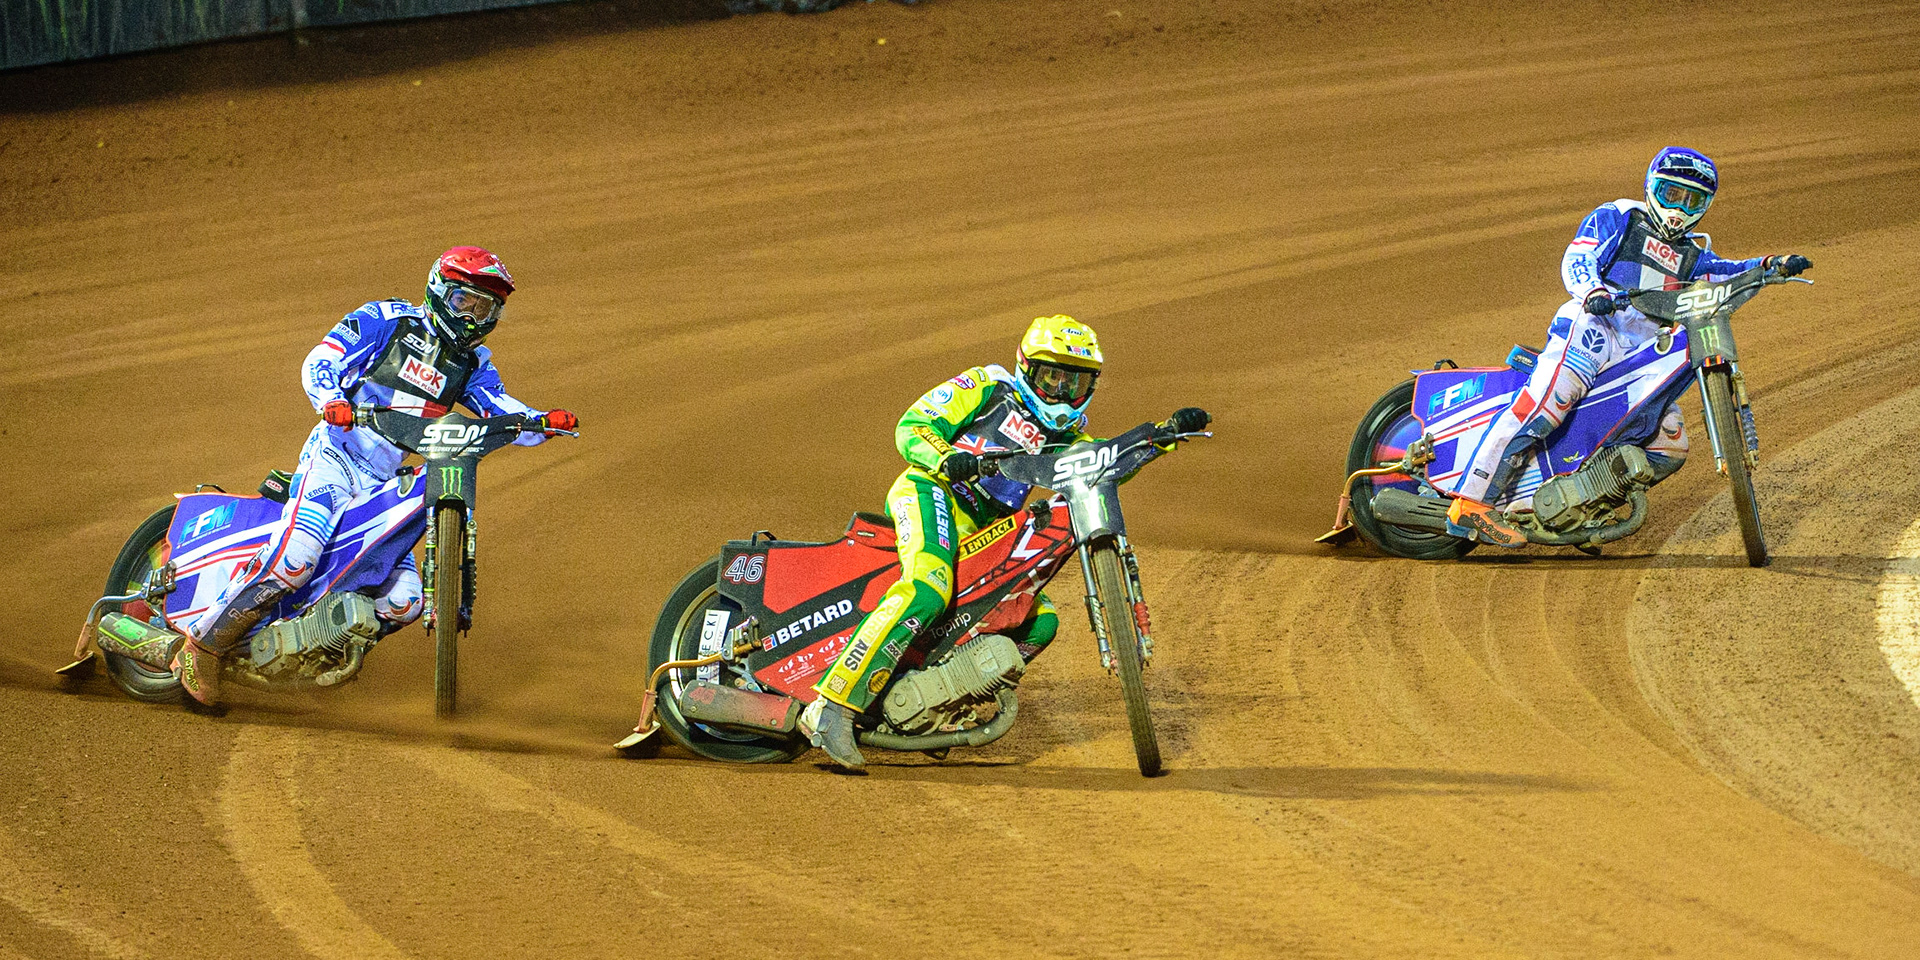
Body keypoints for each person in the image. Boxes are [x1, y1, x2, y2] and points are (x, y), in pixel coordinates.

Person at [797, 314, 1208, 769]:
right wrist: (948, 456)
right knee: (928, 586)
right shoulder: (988, 386)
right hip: (933, 492)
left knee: (1039, 621)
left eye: (1076, 383)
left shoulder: (1069, 439)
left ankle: (936, 702)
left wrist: (1163, 436)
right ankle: (831, 708)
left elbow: (1101, 467)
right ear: (1026, 368)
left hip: (988, 531)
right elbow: (911, 426)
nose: (1062, 392)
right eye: (1053, 376)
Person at [172, 246, 578, 705]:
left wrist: (543, 421)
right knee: (296, 559)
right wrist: (330, 399)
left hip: (382, 480)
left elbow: (500, 408)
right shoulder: (387, 319)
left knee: (405, 600)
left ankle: (310, 648)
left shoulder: (473, 363)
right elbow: (320, 360)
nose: (474, 315)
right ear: (440, 291)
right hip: (335, 457)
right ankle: (202, 646)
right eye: (467, 301)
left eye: (486, 307)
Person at [1444, 147, 1813, 546]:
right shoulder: (1620, 215)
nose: (1680, 208)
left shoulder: (1691, 254)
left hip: (1641, 351)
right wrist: (1593, 291)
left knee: (1669, 445)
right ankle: (1470, 504)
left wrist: (1771, 266)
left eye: (1693, 200)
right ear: (1652, 187)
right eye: (1672, 194)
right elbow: (1578, 256)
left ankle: (1578, 507)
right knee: (1548, 402)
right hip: (1595, 326)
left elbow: (1727, 272)